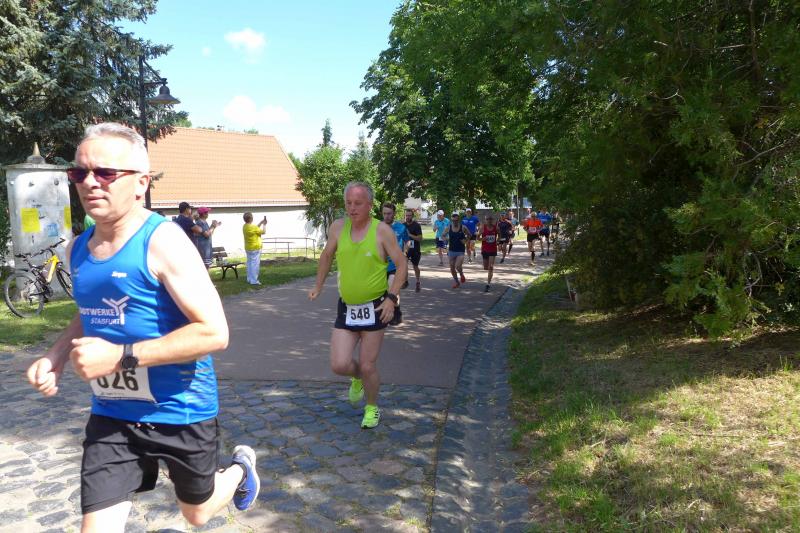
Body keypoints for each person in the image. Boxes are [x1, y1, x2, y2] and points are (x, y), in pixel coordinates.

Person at [26, 123, 259, 531]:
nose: (89, 183)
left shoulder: (164, 241)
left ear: (141, 183)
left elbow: (214, 332)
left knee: (197, 513)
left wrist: (120, 357)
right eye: (79, 172)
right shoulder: (77, 249)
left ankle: (240, 469)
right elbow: (90, 312)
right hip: (112, 414)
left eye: (105, 173)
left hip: (181, 410)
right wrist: (56, 355)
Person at [309, 181, 406, 429]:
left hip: (376, 307)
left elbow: (401, 264)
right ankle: (358, 378)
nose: (352, 208)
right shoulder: (338, 228)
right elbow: (326, 256)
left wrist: (392, 298)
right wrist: (318, 285)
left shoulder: (381, 231)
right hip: (348, 307)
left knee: (367, 364)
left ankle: (371, 407)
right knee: (339, 364)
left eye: (358, 203)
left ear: (370, 205)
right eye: (348, 203)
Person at [382, 202, 409, 290]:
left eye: (389, 213)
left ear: (394, 213)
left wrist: (405, 252)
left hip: (395, 265)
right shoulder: (377, 227)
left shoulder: (401, 227)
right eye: (384, 213)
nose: (386, 216)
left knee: (392, 290)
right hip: (380, 265)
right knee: (382, 293)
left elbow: (408, 241)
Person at [444, 211, 471, 288]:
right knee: (452, 268)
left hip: (460, 250)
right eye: (453, 220)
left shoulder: (463, 227)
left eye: (456, 220)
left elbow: (469, 235)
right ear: (451, 220)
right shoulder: (449, 227)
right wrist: (446, 239)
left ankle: (461, 274)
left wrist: (466, 241)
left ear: (458, 220)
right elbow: (443, 235)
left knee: (458, 266)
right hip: (451, 250)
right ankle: (457, 282)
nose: (454, 222)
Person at [242, 213, 267, 286]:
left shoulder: (245, 226)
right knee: (255, 265)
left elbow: (256, 229)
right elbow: (263, 232)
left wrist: (260, 223)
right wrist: (264, 225)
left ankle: (249, 279)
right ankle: (254, 280)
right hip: (255, 248)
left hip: (248, 248)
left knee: (250, 264)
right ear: (251, 219)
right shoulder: (253, 227)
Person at [403, 208, 423, 292]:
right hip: (406, 248)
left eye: (409, 215)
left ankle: (418, 281)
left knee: (415, 266)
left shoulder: (416, 225)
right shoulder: (403, 225)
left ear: (412, 216)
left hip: (415, 249)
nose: (408, 217)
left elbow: (420, 238)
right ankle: (405, 281)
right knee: (404, 264)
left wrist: (410, 235)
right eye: (406, 215)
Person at [479, 215, 499, 291]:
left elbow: (500, 235)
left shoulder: (496, 228)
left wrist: (498, 241)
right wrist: (482, 239)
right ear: (485, 220)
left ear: (492, 220)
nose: (489, 220)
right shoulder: (482, 228)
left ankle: (488, 284)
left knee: (490, 267)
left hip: (493, 249)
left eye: (490, 219)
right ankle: (490, 273)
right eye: (487, 219)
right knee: (485, 267)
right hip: (485, 249)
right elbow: (478, 238)